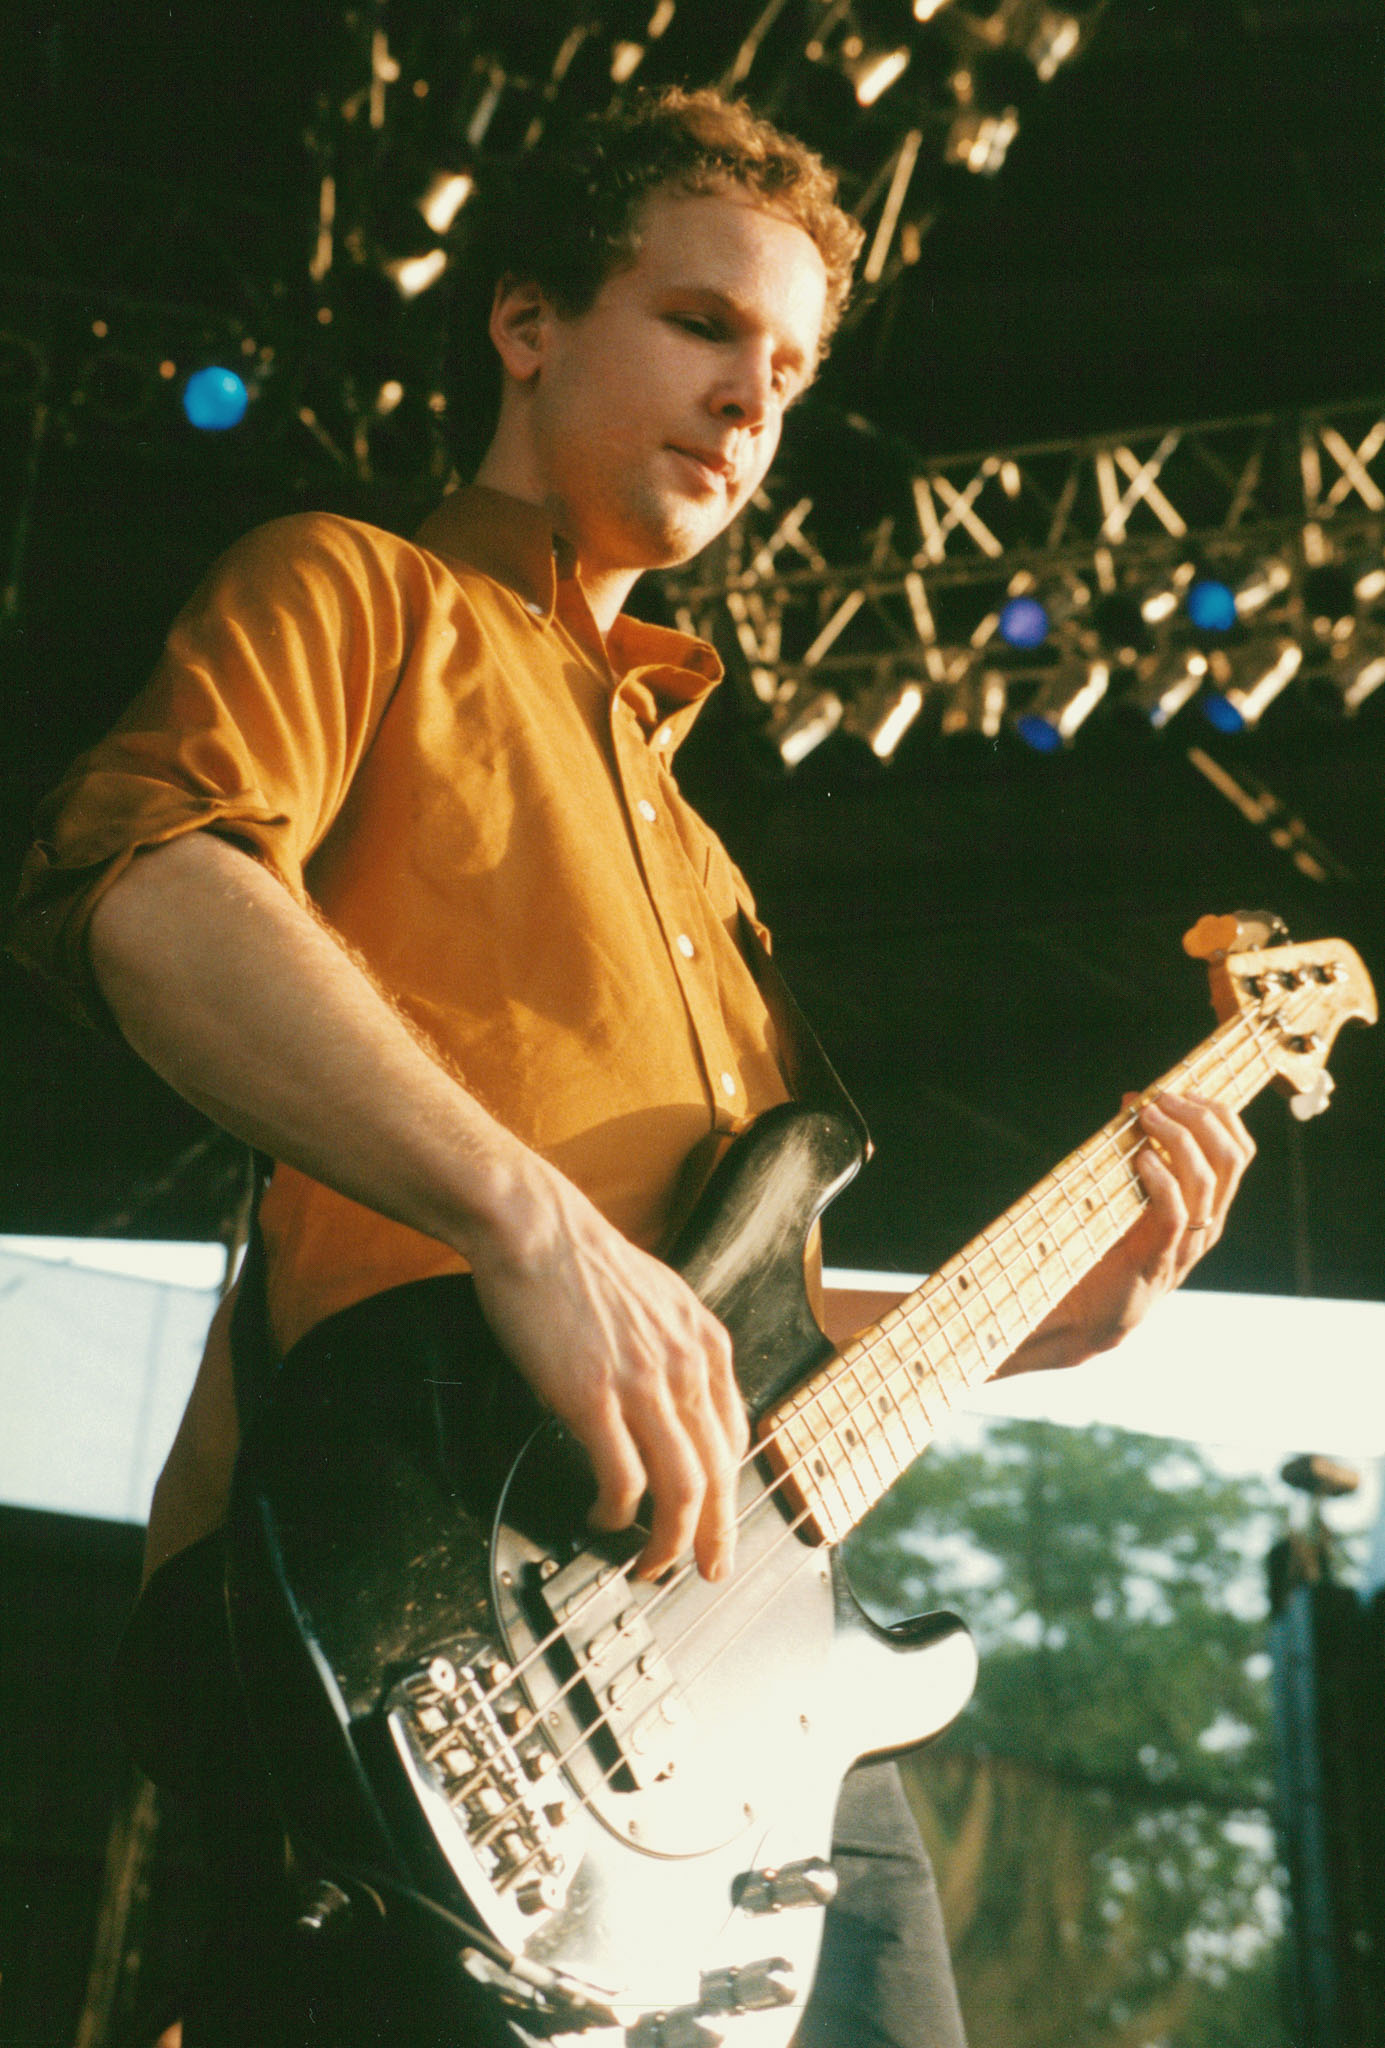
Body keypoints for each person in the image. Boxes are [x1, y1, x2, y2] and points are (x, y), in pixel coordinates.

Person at [9, 86, 1254, 2048]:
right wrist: (524, 1219)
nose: (750, 402)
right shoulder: (358, 590)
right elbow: (146, 886)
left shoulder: (713, 864)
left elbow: (725, 1351)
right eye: (699, 325)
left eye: (790, 371)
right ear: (525, 322)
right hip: (423, 1623)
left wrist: (1049, 1322)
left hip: (739, 1697)